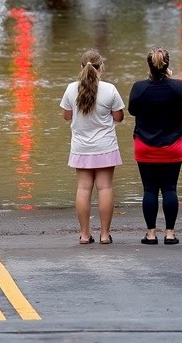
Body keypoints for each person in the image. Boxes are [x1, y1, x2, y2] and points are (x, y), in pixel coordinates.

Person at [60, 49, 124, 245]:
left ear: (81, 68)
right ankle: (105, 235)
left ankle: (85, 235)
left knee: (83, 188)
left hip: (81, 147)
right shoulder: (109, 89)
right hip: (105, 146)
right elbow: (119, 117)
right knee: (105, 188)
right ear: (100, 67)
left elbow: (66, 116)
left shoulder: (71, 89)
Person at [128, 47, 182, 245]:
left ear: (149, 65)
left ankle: (151, 234)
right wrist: (171, 80)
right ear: (167, 65)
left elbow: (132, 110)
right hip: (172, 146)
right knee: (170, 189)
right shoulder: (177, 86)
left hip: (145, 146)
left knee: (150, 190)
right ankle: (170, 234)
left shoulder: (139, 88)